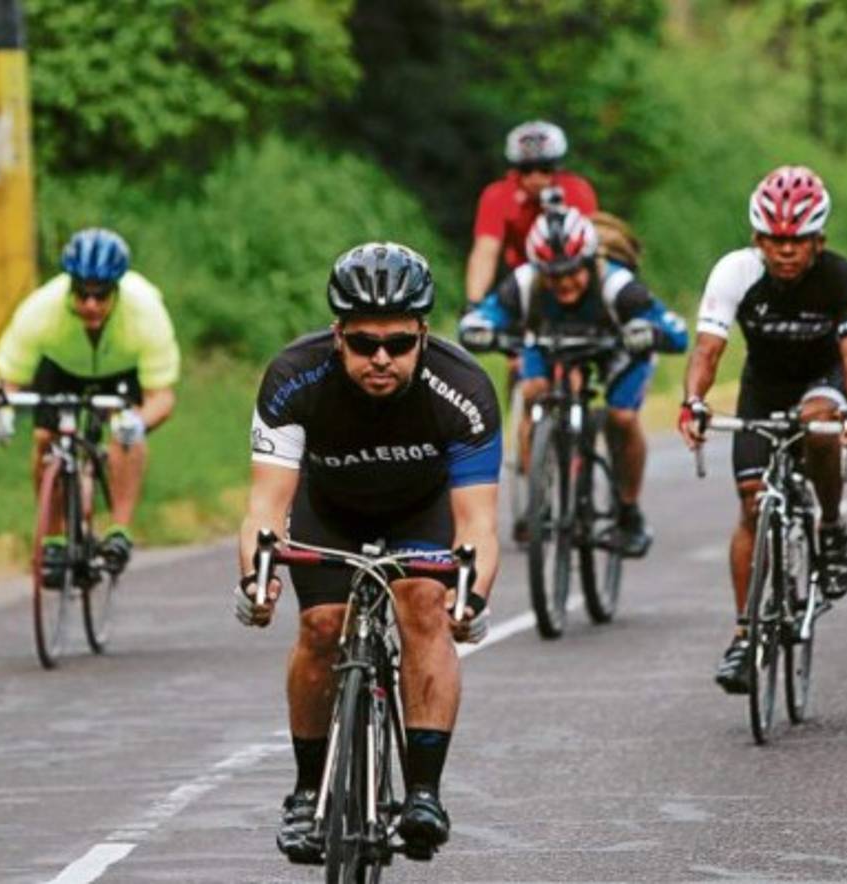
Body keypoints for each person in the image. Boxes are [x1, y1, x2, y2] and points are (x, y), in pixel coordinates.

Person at [233, 243, 502, 864]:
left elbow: (478, 524)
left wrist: (473, 596)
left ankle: (424, 794)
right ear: (338, 335)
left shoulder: (463, 388)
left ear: (423, 335)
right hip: (331, 512)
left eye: (399, 344)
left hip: (420, 511)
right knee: (322, 626)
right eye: (363, 343)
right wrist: (257, 579)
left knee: (425, 605)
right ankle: (307, 793)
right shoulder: (293, 377)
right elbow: (266, 507)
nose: (381, 358)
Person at [677, 166, 847, 695]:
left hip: (823, 381)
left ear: (818, 241)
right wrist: (693, 402)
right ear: (758, 239)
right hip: (763, 386)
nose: (786, 251)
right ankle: (745, 635)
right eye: (775, 240)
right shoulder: (735, 272)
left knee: (817, 426)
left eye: (798, 241)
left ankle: (830, 525)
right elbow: (708, 350)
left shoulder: (841, 278)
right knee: (750, 503)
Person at [459, 206, 687, 556]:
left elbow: (678, 333)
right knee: (532, 390)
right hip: (549, 344)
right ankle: (540, 490)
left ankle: (629, 513)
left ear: (589, 261)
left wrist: (649, 333)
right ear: (539, 269)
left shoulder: (617, 286)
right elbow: (483, 317)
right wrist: (479, 330)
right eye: (553, 276)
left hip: (616, 349)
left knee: (622, 418)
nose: (564, 283)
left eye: (572, 272)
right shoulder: (524, 283)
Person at [0, 228, 179, 581]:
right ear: (69, 286)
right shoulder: (40, 308)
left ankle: (119, 531)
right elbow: (4, 380)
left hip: (121, 368)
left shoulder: (145, 311)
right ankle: (54, 538)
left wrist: (139, 422)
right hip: (62, 367)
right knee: (45, 439)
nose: (90, 304)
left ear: (116, 289)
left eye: (101, 295)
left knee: (125, 436)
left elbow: (162, 396)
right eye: (81, 293)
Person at [465, 120, 599, 307]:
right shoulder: (498, 195)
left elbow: (595, 246)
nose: (536, 178)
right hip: (522, 280)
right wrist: (474, 302)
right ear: (515, 170)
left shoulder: (577, 190)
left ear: (557, 168)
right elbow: (485, 252)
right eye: (526, 170)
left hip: (573, 277)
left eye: (544, 169)